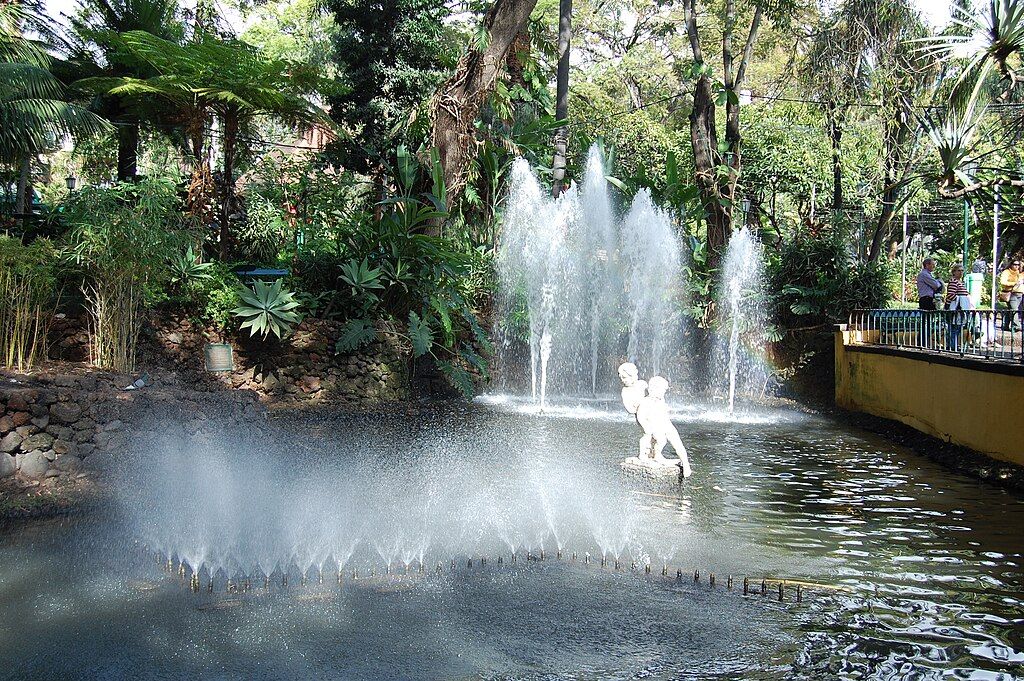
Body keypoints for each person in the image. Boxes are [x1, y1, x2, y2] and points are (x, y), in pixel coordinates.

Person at [945, 264, 972, 351]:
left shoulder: (961, 282)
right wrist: (959, 300)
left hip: (961, 309)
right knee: (954, 328)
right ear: (954, 272)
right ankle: (952, 346)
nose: (961, 273)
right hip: (955, 309)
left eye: (962, 271)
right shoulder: (953, 282)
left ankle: (954, 345)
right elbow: (950, 295)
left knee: (957, 328)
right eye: (958, 271)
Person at [998, 259, 1024, 330]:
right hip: (1011, 294)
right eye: (1015, 264)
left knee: (1010, 310)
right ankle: (1016, 326)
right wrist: (1014, 283)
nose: (1016, 266)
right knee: (1014, 310)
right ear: (1011, 264)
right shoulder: (1006, 272)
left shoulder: (1020, 273)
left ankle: (1005, 325)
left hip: (1020, 294)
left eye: (1018, 265)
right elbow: (1003, 282)